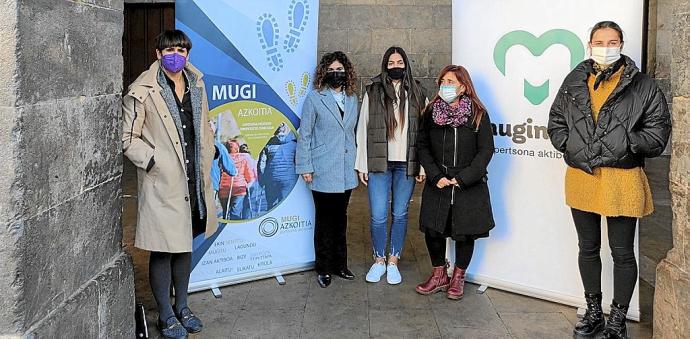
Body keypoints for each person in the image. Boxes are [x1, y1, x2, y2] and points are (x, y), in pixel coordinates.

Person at [548, 21, 671, 339]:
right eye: (600, 41)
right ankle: (593, 312)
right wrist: (569, 144)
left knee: (622, 252)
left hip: (622, 178)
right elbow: (556, 120)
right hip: (582, 176)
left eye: (612, 41)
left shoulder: (643, 85)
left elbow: (658, 132)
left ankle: (617, 319)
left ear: (621, 44)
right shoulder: (574, 80)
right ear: (589, 45)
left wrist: (627, 143)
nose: (606, 47)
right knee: (587, 247)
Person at [122, 29, 215, 339]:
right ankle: (165, 314)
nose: (177, 55)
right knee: (163, 249)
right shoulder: (142, 90)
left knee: (184, 244)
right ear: (158, 54)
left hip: (192, 179)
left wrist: (210, 151)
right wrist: (153, 161)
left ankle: (183, 306)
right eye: (170, 50)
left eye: (182, 50)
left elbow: (203, 127)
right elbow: (127, 139)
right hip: (163, 181)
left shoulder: (197, 85)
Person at [414, 65, 495, 300]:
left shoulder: (479, 113)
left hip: (468, 185)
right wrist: (435, 176)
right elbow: (423, 145)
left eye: (450, 82)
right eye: (443, 81)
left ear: (463, 86)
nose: (445, 86)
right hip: (438, 182)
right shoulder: (431, 112)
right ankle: (439, 275)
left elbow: (486, 150)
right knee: (433, 230)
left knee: (464, 233)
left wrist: (464, 178)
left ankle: (458, 277)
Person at [355, 46, 427, 285]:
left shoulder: (418, 92)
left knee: (400, 213)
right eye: (391, 63)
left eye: (399, 62)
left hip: (407, 163)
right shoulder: (373, 91)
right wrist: (362, 164)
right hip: (379, 163)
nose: (396, 66)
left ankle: (393, 260)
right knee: (377, 215)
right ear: (385, 65)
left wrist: (423, 166)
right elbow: (363, 128)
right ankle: (378, 260)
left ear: (406, 64)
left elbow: (426, 133)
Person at [295, 51, 359, 288]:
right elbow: (306, 134)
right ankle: (323, 267)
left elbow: (354, 133)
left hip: (345, 169)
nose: (336, 73)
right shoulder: (314, 98)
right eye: (331, 70)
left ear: (347, 72)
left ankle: (340, 264)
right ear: (324, 73)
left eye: (340, 69)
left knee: (341, 219)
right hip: (322, 167)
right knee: (324, 220)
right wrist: (305, 166)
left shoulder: (353, 99)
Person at [258, 123, 298, 208]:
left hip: (271, 179)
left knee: (271, 207)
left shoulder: (267, 145)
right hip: (288, 179)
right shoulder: (294, 144)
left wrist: (262, 180)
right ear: (284, 130)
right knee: (286, 204)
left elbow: (261, 165)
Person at [220, 140, 255, 220]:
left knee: (225, 212)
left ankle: (225, 228)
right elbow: (249, 176)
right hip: (239, 189)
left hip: (223, 188)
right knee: (235, 212)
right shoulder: (243, 158)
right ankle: (235, 228)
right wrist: (249, 182)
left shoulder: (222, 158)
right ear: (237, 148)